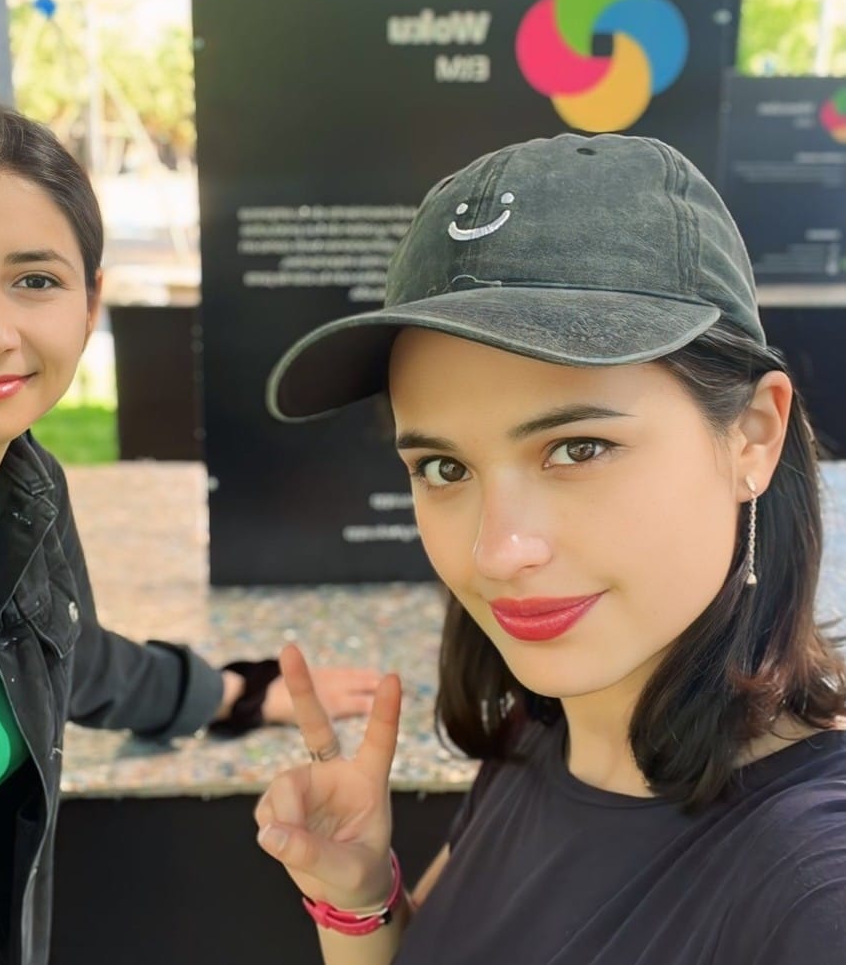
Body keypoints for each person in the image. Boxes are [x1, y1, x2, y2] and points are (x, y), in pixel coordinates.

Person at [256, 133, 846, 964]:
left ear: (753, 434)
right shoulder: (548, 726)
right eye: (444, 468)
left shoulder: (812, 894)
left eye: (578, 448)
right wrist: (358, 903)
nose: (499, 551)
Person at [0, 102, 381, 965]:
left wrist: (236, 693)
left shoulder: (29, 492)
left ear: (90, 304)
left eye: (36, 280)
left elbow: (73, 658)